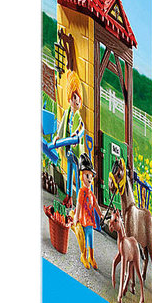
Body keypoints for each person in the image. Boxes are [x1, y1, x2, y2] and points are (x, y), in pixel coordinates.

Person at [54, 69, 87, 203]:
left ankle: (78, 198)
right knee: (69, 172)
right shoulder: (67, 112)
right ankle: (68, 195)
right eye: (74, 97)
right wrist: (58, 137)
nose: (76, 100)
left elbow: (82, 127)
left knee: (77, 174)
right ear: (69, 99)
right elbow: (62, 125)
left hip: (76, 150)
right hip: (68, 147)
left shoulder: (78, 116)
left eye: (78, 97)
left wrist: (76, 134)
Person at [69, 154, 101, 270]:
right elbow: (79, 204)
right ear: (81, 175)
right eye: (87, 175)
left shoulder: (91, 193)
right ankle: (84, 256)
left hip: (90, 222)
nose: (90, 179)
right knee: (84, 240)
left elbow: (95, 204)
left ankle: (91, 257)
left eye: (91, 176)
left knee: (91, 239)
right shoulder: (82, 191)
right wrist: (76, 217)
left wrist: (100, 214)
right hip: (83, 221)